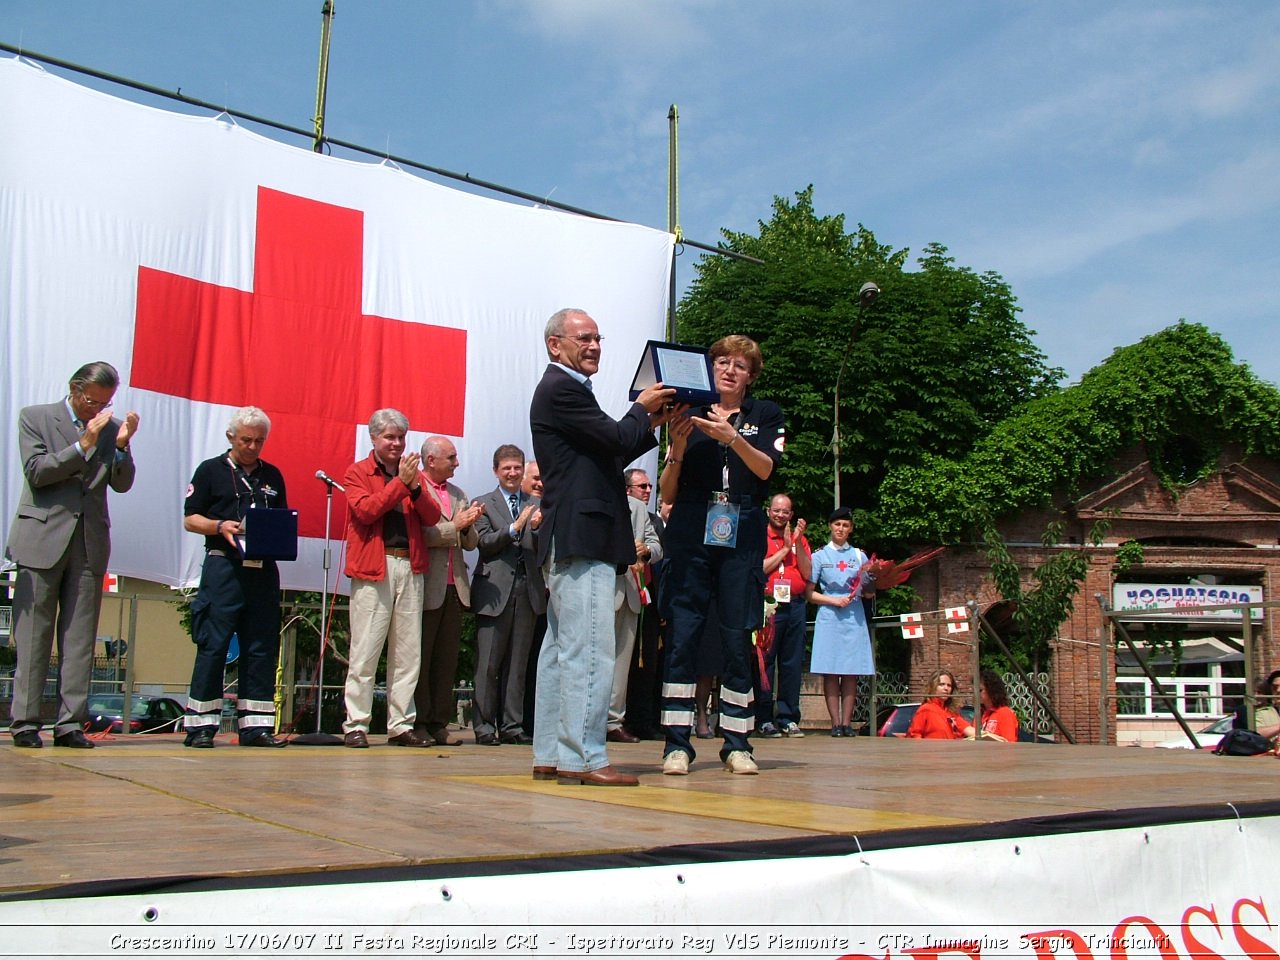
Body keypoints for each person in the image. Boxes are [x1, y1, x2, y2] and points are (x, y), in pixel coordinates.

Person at [529, 307, 677, 786]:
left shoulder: (566, 391)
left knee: (560, 650)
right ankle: (587, 757)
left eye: (598, 338)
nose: (594, 346)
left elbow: (608, 448)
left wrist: (652, 421)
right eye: (583, 338)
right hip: (583, 535)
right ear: (556, 344)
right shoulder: (562, 388)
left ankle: (552, 752)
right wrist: (641, 407)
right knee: (589, 649)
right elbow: (614, 435)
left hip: (575, 534)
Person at [659, 334, 785, 776]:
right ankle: (676, 743)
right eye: (722, 362)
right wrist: (675, 448)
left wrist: (733, 439)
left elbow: (767, 468)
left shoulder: (765, 414)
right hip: (692, 524)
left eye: (740, 365)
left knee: (737, 636)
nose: (729, 370)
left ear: (751, 376)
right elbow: (667, 492)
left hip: (743, 525)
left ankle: (737, 742)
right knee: (684, 634)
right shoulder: (686, 412)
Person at [7, 362, 139, 748]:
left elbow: (123, 483)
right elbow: (37, 472)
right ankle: (26, 722)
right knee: (33, 637)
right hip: (41, 539)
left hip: (89, 542)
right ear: (74, 389)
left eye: (104, 403)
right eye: (90, 400)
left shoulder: (110, 428)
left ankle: (69, 724)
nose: (94, 409)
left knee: (80, 639)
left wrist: (120, 446)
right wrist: (82, 445)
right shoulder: (35, 417)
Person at [181, 406, 289, 748]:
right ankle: (201, 726)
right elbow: (189, 518)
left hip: (261, 570)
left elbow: (283, 517)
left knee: (261, 647)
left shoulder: (272, 475)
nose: (253, 447)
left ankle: (255, 727)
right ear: (231, 437)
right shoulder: (210, 471)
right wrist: (218, 525)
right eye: (246, 440)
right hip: (223, 566)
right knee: (213, 645)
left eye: (259, 441)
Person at [341, 409, 441, 748]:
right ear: (374, 439)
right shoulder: (358, 472)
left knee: (408, 652)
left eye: (400, 437)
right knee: (366, 649)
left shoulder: (412, 474)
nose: (397, 444)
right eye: (389, 437)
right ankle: (356, 723)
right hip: (374, 566)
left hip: (409, 567)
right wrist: (401, 483)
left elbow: (431, 516)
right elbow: (366, 511)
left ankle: (400, 723)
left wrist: (414, 488)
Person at [469, 444, 545, 745]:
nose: (512, 473)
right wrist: (514, 529)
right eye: (506, 468)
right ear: (496, 471)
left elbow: (543, 548)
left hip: (528, 591)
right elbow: (484, 543)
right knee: (488, 664)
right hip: (494, 591)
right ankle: (484, 726)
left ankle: (512, 726)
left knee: (518, 663)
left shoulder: (537, 504)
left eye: (517, 468)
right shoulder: (483, 503)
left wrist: (537, 530)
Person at [411, 436, 483, 747]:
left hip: (456, 587)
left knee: (446, 659)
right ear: (430, 461)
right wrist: (455, 526)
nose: (456, 463)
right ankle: (419, 721)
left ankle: (440, 722)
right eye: (451, 458)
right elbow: (421, 535)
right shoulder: (416, 489)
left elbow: (471, 542)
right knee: (422, 658)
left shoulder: (458, 493)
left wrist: (467, 525)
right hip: (427, 585)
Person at [807, 507, 875, 737]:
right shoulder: (819, 556)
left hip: (853, 616)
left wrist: (875, 582)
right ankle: (835, 723)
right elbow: (809, 593)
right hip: (829, 615)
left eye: (846, 525)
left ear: (851, 529)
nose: (841, 529)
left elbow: (867, 592)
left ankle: (847, 723)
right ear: (830, 526)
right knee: (830, 670)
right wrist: (833, 601)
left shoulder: (859, 556)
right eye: (837, 524)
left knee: (850, 671)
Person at [607, 470, 662, 743]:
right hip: (598, 592)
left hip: (629, 593)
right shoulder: (594, 501)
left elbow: (656, 545)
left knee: (621, 662)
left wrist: (646, 551)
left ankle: (613, 722)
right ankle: (586, 720)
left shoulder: (639, 510)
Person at [755, 493, 811, 738]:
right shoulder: (759, 536)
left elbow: (808, 573)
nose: (780, 515)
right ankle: (763, 717)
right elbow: (761, 568)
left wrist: (796, 545)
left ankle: (788, 717)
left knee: (791, 663)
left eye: (785, 511)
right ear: (769, 511)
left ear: (791, 514)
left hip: (795, 605)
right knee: (764, 663)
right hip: (769, 605)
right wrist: (784, 549)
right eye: (776, 510)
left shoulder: (801, 539)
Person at [624, 474, 667, 741]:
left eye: (650, 486)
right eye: (643, 486)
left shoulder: (651, 519)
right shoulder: (621, 510)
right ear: (628, 489)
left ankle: (643, 720)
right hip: (625, 590)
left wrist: (648, 550)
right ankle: (621, 719)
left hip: (649, 596)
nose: (648, 490)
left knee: (647, 663)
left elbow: (659, 550)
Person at [906, 669, 970, 740]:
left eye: (949, 685)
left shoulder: (952, 712)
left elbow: (968, 730)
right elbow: (914, 736)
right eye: (941, 684)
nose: (946, 688)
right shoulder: (925, 709)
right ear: (933, 687)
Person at [974, 669, 1019, 742]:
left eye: (980, 690)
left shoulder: (1004, 713)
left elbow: (1009, 743)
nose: (976, 694)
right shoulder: (979, 714)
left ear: (991, 689)